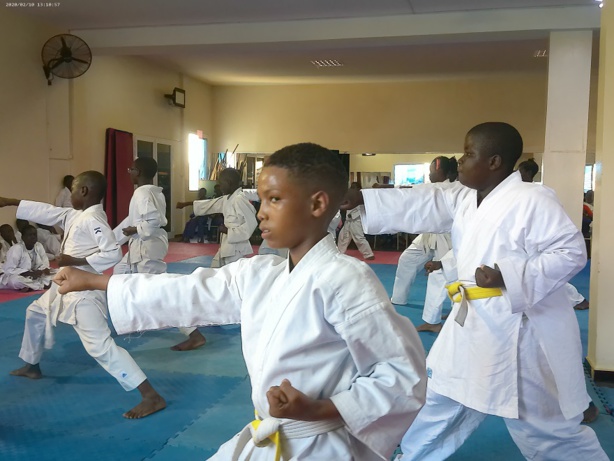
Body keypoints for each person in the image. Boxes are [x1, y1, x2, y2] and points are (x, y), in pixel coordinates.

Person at [55, 143, 427, 460]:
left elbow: (402, 376)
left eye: (275, 199)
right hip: (271, 434)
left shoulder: (347, 279)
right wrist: (97, 281)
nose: (261, 211)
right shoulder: (260, 272)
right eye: (262, 199)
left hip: (320, 445)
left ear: (317, 204)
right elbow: (188, 292)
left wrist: (318, 409)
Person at [343, 122, 607, 460]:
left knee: (543, 429)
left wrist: (506, 275)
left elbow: (570, 253)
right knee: (440, 398)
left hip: (519, 332)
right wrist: (362, 198)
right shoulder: (463, 197)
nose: (460, 160)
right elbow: (424, 200)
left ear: (494, 162)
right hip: (472, 322)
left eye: (468, 153)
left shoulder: (533, 199)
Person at [0, 171, 166, 419]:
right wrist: (11, 202)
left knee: (101, 347)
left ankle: (150, 396)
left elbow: (112, 253)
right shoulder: (75, 214)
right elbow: (47, 211)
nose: (70, 196)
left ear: (84, 192)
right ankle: (32, 364)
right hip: (64, 284)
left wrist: (74, 260)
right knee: (35, 312)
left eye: (74, 190)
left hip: (84, 291)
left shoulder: (94, 219)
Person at [119, 158, 207, 352]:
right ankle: (134, 319)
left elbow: (152, 221)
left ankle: (194, 333)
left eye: (131, 169)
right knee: (120, 275)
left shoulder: (142, 192)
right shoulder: (154, 192)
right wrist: (112, 240)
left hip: (146, 246)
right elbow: (136, 220)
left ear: (138, 171)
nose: (129, 172)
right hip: (145, 245)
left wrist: (134, 229)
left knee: (159, 292)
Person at [174, 168, 257, 351]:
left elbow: (251, 225)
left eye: (222, 182)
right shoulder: (228, 198)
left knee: (234, 284)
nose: (220, 185)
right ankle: (213, 309)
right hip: (226, 246)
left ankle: (244, 314)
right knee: (212, 277)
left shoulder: (240, 199)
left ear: (231, 183)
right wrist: (187, 203)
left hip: (236, 247)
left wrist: (229, 230)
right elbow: (210, 205)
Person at [391, 156, 458, 334]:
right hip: (429, 235)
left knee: (443, 275)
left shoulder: (450, 188)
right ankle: (398, 299)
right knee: (408, 259)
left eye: (431, 171)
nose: (429, 174)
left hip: (446, 237)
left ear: (440, 171)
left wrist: (386, 189)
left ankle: (438, 319)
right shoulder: (436, 187)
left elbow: (413, 192)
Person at [518, 159, 590, 311]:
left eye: (521, 170)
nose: (518, 174)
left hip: (539, 238)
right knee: (537, 275)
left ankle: (578, 299)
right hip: (526, 238)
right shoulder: (520, 191)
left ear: (528, 172)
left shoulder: (539, 192)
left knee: (547, 276)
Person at [2, 224, 53, 290]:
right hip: (21, 275)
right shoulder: (16, 248)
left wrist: (43, 270)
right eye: (30, 235)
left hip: (36, 275)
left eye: (34, 235)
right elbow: (9, 270)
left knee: (57, 273)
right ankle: (41, 286)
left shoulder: (39, 245)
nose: (33, 237)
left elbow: (45, 261)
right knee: (14, 281)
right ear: (23, 237)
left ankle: (30, 287)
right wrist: (30, 273)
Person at [337, 182, 375, 260]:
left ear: (358, 188)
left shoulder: (361, 197)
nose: (352, 189)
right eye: (352, 187)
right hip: (348, 220)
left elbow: (362, 210)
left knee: (358, 237)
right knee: (343, 236)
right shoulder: (350, 196)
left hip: (356, 220)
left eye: (354, 187)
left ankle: (369, 254)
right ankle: (340, 252)